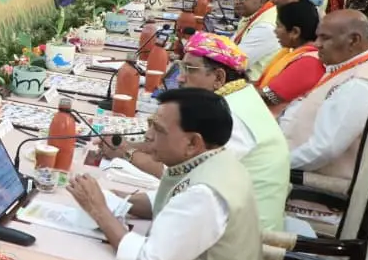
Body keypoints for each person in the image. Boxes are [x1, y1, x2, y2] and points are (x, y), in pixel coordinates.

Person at [69, 87, 268, 260]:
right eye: (151, 123)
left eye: (159, 129)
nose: (149, 135)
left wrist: (100, 211)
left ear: (193, 142)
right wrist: (114, 201)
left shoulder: (205, 195)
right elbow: (168, 201)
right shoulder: (217, 162)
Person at [106, 33, 288, 230]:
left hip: (243, 235)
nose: (180, 78)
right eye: (181, 68)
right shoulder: (237, 98)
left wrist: (128, 154)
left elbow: (182, 176)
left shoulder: (232, 117)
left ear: (218, 77)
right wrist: (118, 200)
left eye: (189, 69)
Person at [282, 10, 368, 184]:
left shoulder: (359, 83)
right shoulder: (352, 66)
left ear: (354, 40)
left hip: (314, 184)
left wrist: (275, 164)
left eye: (325, 38)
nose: (317, 44)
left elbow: (323, 149)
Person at [256, 0, 324, 115]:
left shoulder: (309, 62)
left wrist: (234, 89)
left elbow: (271, 97)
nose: (275, 31)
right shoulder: (295, 52)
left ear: (295, 32)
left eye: (278, 26)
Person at [230, 0, 277, 80]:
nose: (237, 1)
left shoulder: (265, 27)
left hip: (253, 84)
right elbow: (230, 45)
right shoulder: (252, 15)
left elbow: (235, 62)